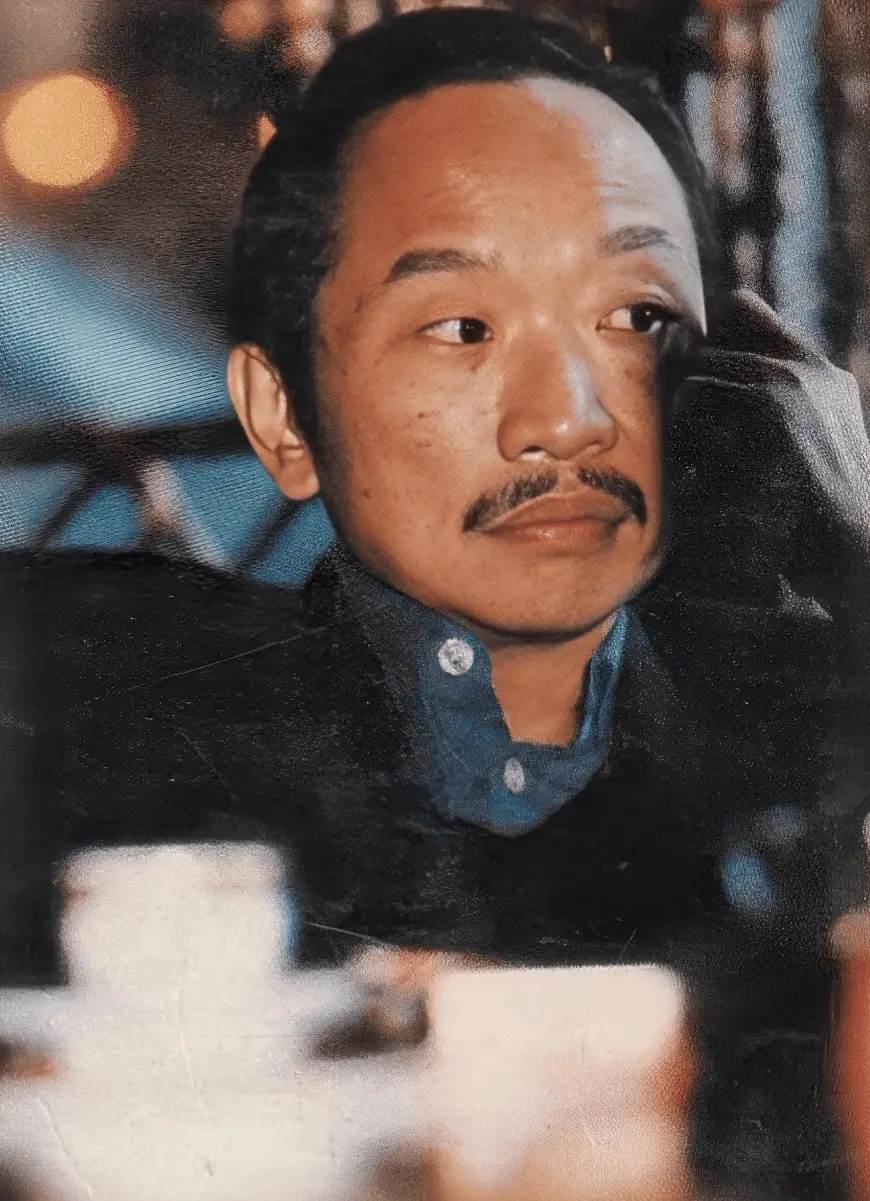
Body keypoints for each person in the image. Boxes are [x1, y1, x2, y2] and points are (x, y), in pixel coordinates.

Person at [4, 7, 869, 1194]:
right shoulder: (123, 700)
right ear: (286, 416)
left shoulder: (756, 711)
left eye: (630, 316)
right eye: (464, 327)